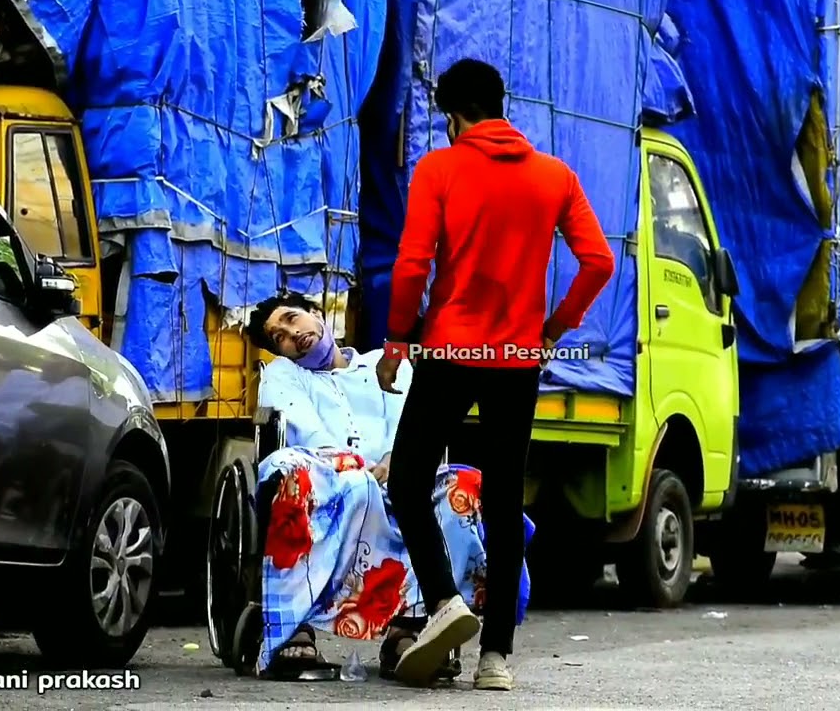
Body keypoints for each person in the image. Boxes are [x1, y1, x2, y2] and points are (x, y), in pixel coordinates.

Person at [377, 58, 615, 691]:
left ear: (454, 116)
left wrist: (399, 338)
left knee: (407, 478)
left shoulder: (440, 168)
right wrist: (554, 328)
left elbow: (411, 265)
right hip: (517, 359)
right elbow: (598, 261)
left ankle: (444, 602)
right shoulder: (554, 176)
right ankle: (496, 660)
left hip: (450, 351)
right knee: (505, 501)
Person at [244, 292, 533, 682]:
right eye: (279, 336)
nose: (292, 334)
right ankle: (294, 627)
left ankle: (412, 627)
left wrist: (400, 460)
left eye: (294, 319)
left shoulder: (383, 365)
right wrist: (358, 468)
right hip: (334, 484)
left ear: (317, 314)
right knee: (294, 470)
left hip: (401, 478)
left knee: (462, 485)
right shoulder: (283, 376)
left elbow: (415, 425)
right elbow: (304, 433)